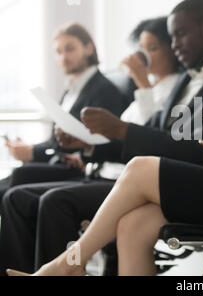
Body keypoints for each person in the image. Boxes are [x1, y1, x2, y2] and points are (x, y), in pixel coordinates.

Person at [4, 0, 203, 276]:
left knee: (137, 169)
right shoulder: (186, 81)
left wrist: (124, 130)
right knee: (131, 225)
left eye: (179, 35)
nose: (174, 44)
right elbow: (154, 134)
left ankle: (68, 263)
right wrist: (90, 146)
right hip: (169, 184)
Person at [0, 16, 182, 275]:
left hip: (127, 180)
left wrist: (142, 84)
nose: (145, 57)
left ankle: (65, 268)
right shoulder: (148, 91)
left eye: (152, 48)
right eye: (142, 50)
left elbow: (154, 138)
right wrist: (88, 152)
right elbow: (121, 141)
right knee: (18, 195)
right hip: (104, 171)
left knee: (53, 201)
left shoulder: (171, 89)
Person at [0, 22, 124, 204]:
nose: (63, 56)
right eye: (58, 52)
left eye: (70, 49)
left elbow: (92, 144)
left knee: (20, 174)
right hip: (59, 162)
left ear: (89, 48)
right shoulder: (69, 92)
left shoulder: (105, 90)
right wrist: (28, 149)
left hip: (80, 168)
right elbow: (55, 142)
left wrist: (33, 152)